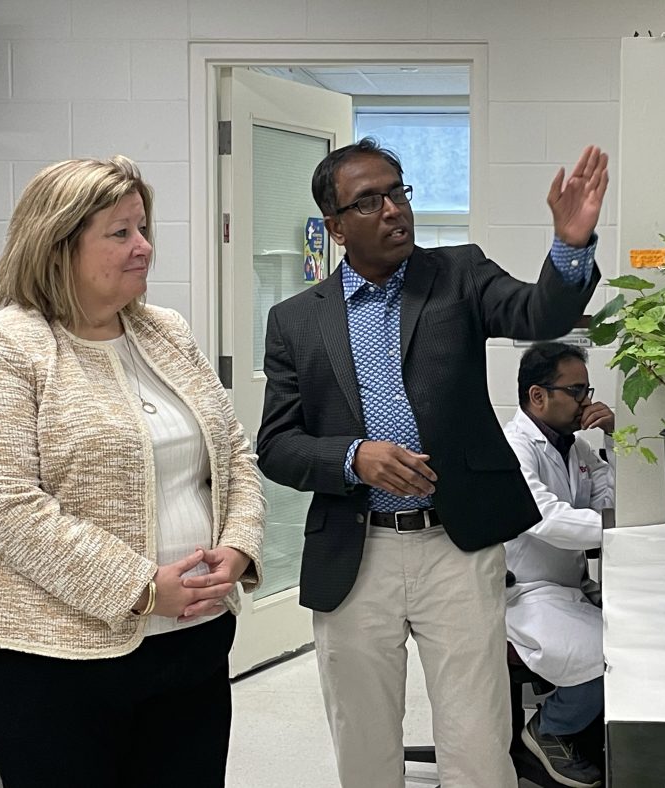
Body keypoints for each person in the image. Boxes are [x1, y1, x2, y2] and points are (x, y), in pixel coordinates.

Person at [257, 137, 607, 788]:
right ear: (335, 227)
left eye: (399, 191)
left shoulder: (459, 275)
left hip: (456, 542)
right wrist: (355, 458)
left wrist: (570, 246)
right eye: (369, 200)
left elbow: (539, 312)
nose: (393, 209)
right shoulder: (295, 323)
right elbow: (277, 444)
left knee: (477, 738)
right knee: (364, 740)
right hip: (354, 555)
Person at [0, 155, 265, 788]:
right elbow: (3, 502)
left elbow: (235, 456)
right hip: (42, 652)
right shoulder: (0, 346)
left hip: (189, 635)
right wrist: (141, 589)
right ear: (58, 245)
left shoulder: (166, 332)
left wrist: (238, 547)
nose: (144, 247)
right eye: (120, 233)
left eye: (143, 228)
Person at [503, 341, 615, 788]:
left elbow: (611, 497)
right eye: (578, 391)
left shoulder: (573, 447)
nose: (588, 402)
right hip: (524, 592)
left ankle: (581, 730)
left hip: (567, 585)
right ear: (538, 396)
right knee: (607, 655)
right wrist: (615, 528)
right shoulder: (514, 447)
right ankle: (549, 730)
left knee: (638, 635)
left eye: (588, 391)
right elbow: (545, 518)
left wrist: (614, 437)